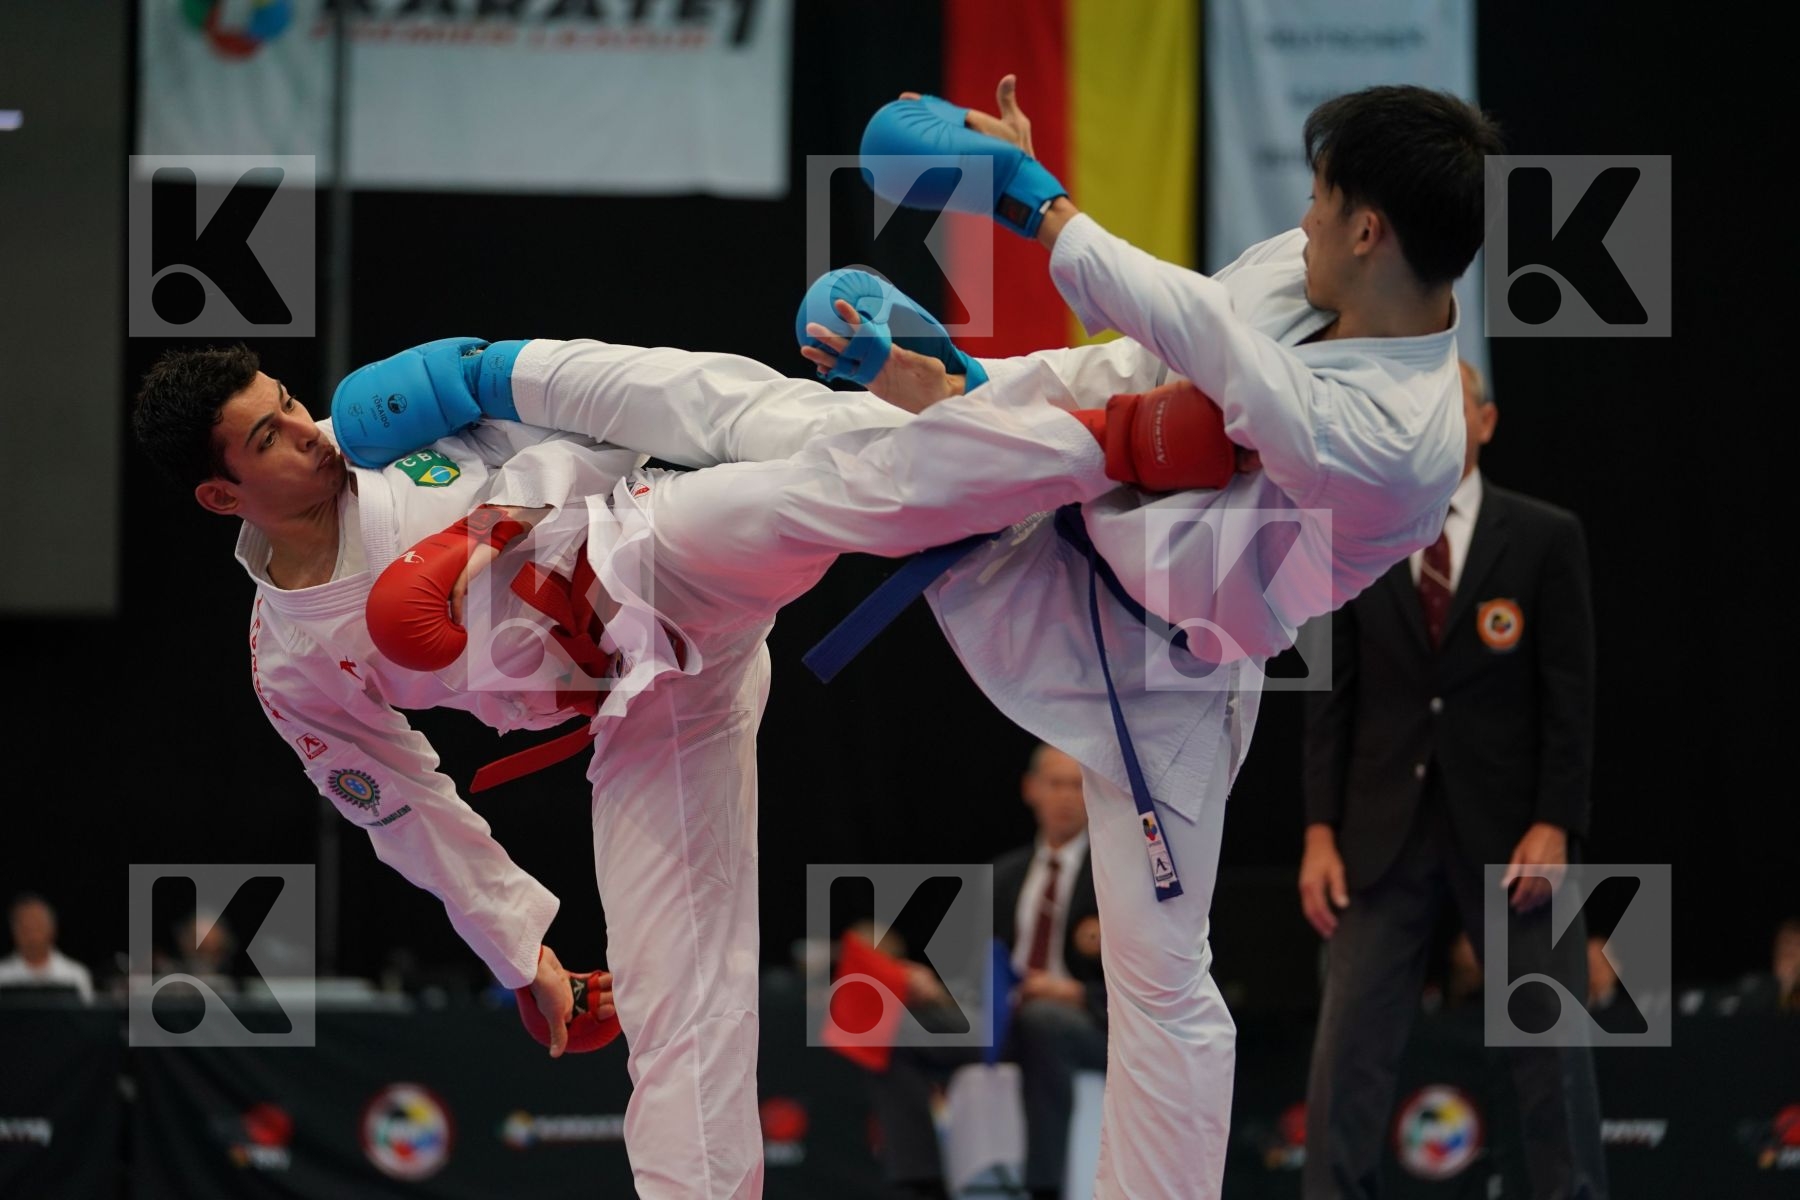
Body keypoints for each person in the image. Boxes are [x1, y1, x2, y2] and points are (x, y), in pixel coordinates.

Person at [130, 331, 1231, 1199]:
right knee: (675, 1004)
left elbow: (595, 409)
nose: (305, 432)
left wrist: (488, 533)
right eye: (269, 438)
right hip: (641, 705)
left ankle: (1123, 420)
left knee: (824, 478)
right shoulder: (293, 664)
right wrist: (522, 953)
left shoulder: (378, 421)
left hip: (648, 542)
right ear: (222, 496)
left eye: (287, 402)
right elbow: (406, 807)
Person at [796, 78, 1501, 1197]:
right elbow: (1149, 349)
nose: (1302, 222)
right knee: (823, 441)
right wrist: (983, 394)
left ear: (1370, 229)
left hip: (1172, 671)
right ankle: (538, 417)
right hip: (1081, 473)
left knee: (1163, 982)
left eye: (1321, 203)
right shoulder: (1314, 267)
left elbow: (1214, 352)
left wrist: (1032, 201)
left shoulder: (1402, 439)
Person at [1298, 360, 1605, 1198]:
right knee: (1347, 1058)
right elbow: (1329, 695)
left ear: (1486, 422)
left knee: (1551, 1056)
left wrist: (1557, 822)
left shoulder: (1544, 536)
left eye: (1451, 404)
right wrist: (1319, 831)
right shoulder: (1356, 535)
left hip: (1512, 836)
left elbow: (1570, 699)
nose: (1435, 419)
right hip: (1379, 831)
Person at [869, 742, 1106, 1200]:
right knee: (888, 1027)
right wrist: (936, 990)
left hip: (1088, 1021)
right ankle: (921, 1183)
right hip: (1006, 1018)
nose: (1065, 797)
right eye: (1055, 784)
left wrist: (1071, 992)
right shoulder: (1006, 874)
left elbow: (1147, 975)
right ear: (1031, 789)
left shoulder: (1114, 876)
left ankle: (1045, 1186)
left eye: (1077, 786)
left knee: (1043, 1020)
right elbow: (979, 970)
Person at [0, 893, 94, 1003]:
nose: (31, 934)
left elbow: (85, 1018)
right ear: (13, 931)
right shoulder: (2, 975)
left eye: (36, 926)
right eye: (24, 927)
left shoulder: (75, 975)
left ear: (52, 929)